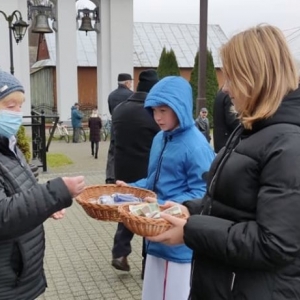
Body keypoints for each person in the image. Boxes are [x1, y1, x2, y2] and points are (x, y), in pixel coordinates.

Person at [147, 25, 300, 300]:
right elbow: (232, 205)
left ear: (256, 77)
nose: (226, 88)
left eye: (232, 77)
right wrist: (188, 209)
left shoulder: (288, 144)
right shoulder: (254, 129)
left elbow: (274, 243)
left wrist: (191, 230)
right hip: (225, 283)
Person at [116, 76, 215, 300]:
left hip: (179, 245)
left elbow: (204, 193)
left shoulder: (196, 145)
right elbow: (153, 182)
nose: (157, 117)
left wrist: (161, 206)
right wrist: (130, 189)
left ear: (179, 108)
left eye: (163, 110)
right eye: (153, 110)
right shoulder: (160, 139)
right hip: (154, 238)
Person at [0, 69, 85, 300]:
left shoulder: (8, 145)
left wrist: (48, 205)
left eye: (20, 106)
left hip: (19, 277)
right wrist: (55, 193)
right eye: (10, 107)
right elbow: (3, 215)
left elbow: (19, 193)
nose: (18, 114)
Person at [111, 70, 160, 274]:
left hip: (122, 169)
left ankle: (120, 252)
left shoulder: (120, 109)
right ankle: (146, 262)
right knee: (148, 216)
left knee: (127, 212)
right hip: (146, 171)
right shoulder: (153, 113)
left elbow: (113, 143)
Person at [105, 73, 133, 184]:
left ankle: (110, 176)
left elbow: (111, 111)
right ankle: (123, 176)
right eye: (130, 82)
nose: (131, 84)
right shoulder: (131, 95)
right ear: (127, 82)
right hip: (127, 127)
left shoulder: (111, 95)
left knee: (112, 151)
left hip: (114, 126)